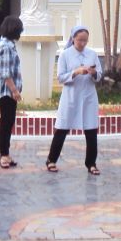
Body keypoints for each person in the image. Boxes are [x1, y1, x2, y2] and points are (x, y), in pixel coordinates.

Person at [46, 26, 104, 175]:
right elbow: (60, 77)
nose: (83, 43)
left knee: (91, 130)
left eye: (85, 40)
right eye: (80, 40)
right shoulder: (65, 55)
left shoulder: (92, 54)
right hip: (71, 96)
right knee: (62, 128)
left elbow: (99, 75)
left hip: (88, 96)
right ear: (73, 38)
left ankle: (91, 163)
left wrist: (93, 73)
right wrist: (76, 72)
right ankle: (51, 160)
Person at [0, 15, 23, 169]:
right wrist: (14, 91)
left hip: (8, 91)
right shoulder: (5, 46)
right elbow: (6, 73)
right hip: (7, 91)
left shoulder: (9, 44)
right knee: (6, 122)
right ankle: (3, 154)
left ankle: (6, 153)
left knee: (8, 121)